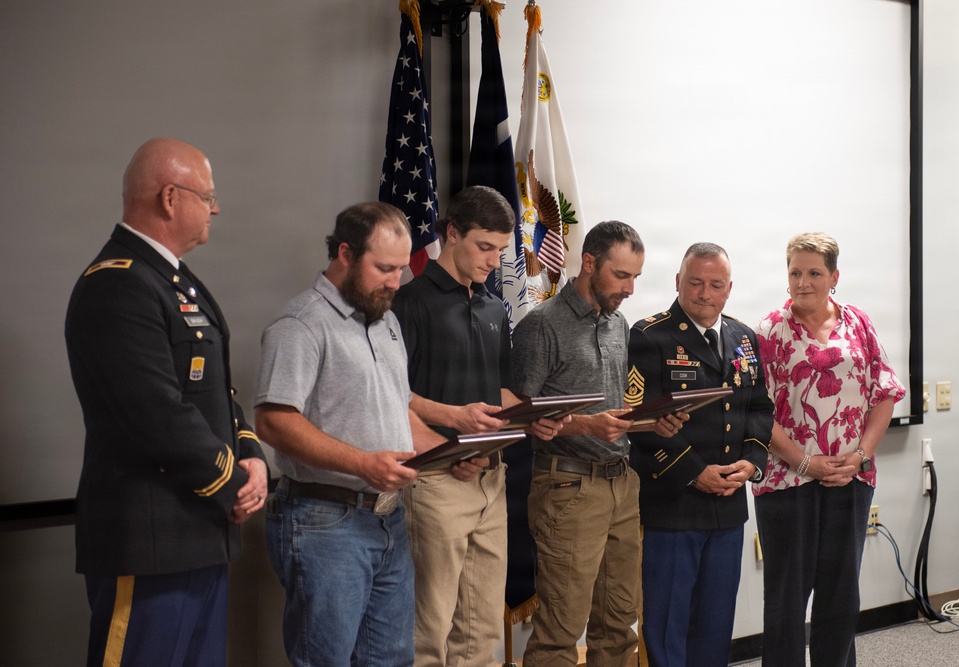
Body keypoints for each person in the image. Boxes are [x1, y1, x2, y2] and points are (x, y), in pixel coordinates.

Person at [65, 138, 269, 667]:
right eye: (208, 195)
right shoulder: (117, 285)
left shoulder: (179, 284)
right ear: (170, 198)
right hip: (149, 540)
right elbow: (155, 414)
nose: (216, 208)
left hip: (201, 533)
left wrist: (251, 455)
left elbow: (217, 396)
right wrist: (232, 483)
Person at [254, 201, 446, 666]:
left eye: (401, 269)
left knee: (390, 660)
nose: (395, 282)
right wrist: (364, 464)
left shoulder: (386, 321)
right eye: (384, 268)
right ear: (345, 253)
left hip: (387, 521)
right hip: (324, 522)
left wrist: (452, 453)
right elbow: (274, 421)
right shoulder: (300, 324)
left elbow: (398, 410)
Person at [392, 185, 566, 667]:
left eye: (500, 249)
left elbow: (501, 393)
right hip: (435, 482)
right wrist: (452, 431)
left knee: (481, 628)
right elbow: (392, 397)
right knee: (429, 629)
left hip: (491, 480)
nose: (493, 260)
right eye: (483, 246)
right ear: (451, 234)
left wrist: (538, 415)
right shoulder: (410, 302)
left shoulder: (494, 307)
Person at [512, 221, 685, 666]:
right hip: (568, 489)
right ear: (589, 263)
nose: (630, 289)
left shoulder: (617, 322)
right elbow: (520, 416)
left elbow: (615, 410)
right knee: (560, 630)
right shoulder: (541, 326)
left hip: (621, 486)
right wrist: (586, 427)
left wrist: (650, 424)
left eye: (636, 278)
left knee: (619, 623)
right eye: (622, 275)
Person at [754, 232, 905, 667]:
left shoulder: (858, 322)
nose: (803, 282)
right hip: (787, 482)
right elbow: (757, 412)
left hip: (850, 478)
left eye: (814, 272)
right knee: (786, 600)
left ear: (834, 276)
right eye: (795, 272)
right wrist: (806, 462)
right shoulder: (769, 331)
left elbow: (885, 393)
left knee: (841, 597)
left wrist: (859, 457)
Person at [626, 242, 773, 667]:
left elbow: (759, 409)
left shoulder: (744, 338)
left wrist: (753, 461)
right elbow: (639, 422)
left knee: (714, 625)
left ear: (729, 289)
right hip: (674, 505)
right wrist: (694, 472)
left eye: (715, 285)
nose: (704, 294)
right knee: (668, 624)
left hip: (728, 507)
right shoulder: (650, 336)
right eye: (695, 283)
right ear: (678, 282)